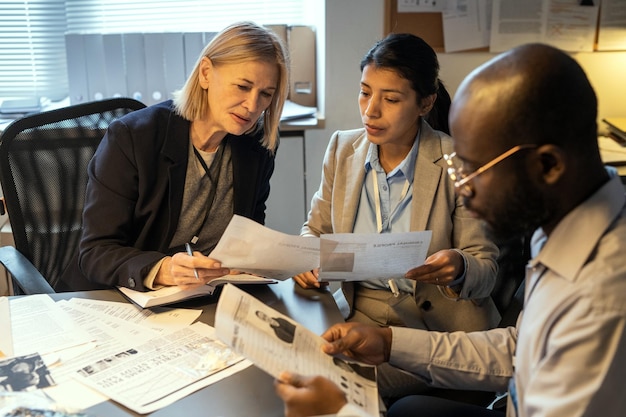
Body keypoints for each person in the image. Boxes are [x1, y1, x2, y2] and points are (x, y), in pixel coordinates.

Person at [275, 43, 626, 417]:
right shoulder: (560, 230)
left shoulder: (601, 298)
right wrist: (391, 343)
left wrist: (344, 414)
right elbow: (519, 350)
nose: (460, 186)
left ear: (548, 166)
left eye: (473, 168)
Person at [292, 33, 500, 399]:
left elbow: (486, 271)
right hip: (360, 319)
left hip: (437, 330)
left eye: (390, 99)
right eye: (364, 92)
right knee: (292, 362)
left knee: (333, 386)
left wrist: (460, 266)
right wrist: (309, 259)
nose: (371, 110)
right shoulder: (342, 148)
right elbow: (315, 230)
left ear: (425, 103)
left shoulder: (456, 160)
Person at [59, 21, 289, 292]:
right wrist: (161, 269)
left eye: (266, 94)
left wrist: (249, 260)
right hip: (118, 297)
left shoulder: (255, 147)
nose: (253, 106)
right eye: (242, 86)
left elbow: (249, 233)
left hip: (202, 297)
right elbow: (96, 252)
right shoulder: (131, 137)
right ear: (205, 73)